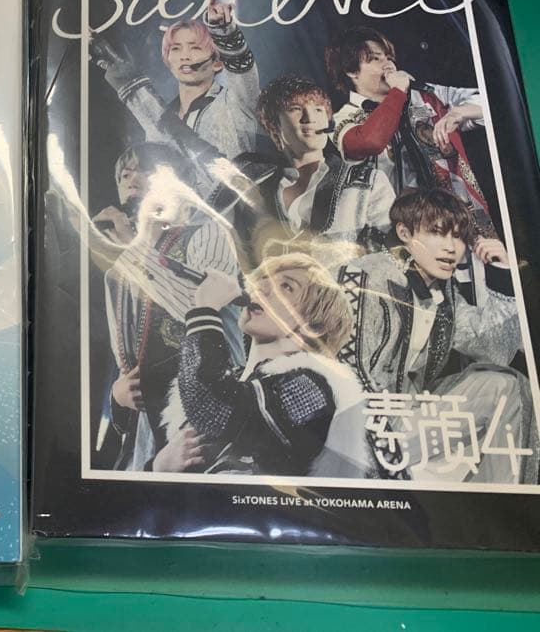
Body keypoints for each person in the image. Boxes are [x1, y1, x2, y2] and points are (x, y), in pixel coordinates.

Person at [337, 188, 533, 483]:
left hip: (411, 418)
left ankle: (497, 498)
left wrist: (503, 274)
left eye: (459, 237)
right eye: (438, 233)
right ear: (404, 233)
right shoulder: (363, 277)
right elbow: (350, 375)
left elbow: (493, 350)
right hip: (363, 433)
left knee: (506, 386)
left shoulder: (442, 290)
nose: (452, 248)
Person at [152, 254, 370, 479]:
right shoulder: (234, 383)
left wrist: (206, 310)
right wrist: (158, 466)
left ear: (314, 326)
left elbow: (214, 409)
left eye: (286, 286)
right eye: (263, 280)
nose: (261, 288)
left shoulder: (314, 387)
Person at [97, 143, 244, 471]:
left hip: (205, 413)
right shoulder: (117, 271)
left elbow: (199, 309)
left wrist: (139, 246)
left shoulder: (209, 233)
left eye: (145, 170)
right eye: (125, 175)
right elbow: (125, 357)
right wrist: (118, 396)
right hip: (146, 431)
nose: (132, 179)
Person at [325, 25, 494, 236]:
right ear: (351, 70)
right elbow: (371, 142)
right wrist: (397, 92)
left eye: (389, 57)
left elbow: (492, 102)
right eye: (376, 59)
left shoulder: (428, 96)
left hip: (458, 220)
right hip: (396, 232)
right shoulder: (342, 118)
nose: (389, 65)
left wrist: (457, 113)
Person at [235, 74, 395, 265]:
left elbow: (393, 256)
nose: (310, 118)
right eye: (296, 109)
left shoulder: (369, 182)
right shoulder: (257, 188)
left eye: (318, 109)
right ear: (273, 125)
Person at [97, 0, 271, 163]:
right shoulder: (160, 116)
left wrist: (223, 31)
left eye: (195, 48)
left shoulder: (235, 103)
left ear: (217, 62)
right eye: (176, 49)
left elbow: (242, 70)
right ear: (167, 60)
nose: (184, 56)